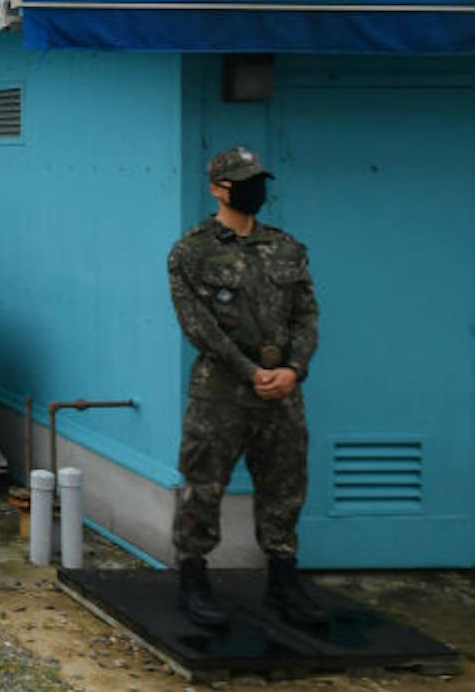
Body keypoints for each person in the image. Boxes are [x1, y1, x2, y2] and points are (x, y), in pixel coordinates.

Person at [166, 146, 324, 630]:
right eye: (242, 181)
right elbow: (199, 326)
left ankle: (282, 579)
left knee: (285, 485)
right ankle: (193, 577)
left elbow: (306, 314)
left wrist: (294, 369)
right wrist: (249, 371)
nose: (255, 189)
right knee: (204, 486)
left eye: (258, 179)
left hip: (282, 392)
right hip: (222, 393)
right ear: (218, 188)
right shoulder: (191, 251)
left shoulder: (285, 247)